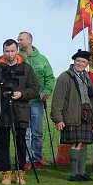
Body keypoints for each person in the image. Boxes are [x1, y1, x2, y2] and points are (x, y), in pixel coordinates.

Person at [0, 39, 40, 185]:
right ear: (3, 51)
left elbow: (35, 88)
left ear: (17, 51)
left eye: (12, 51)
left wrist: (21, 94)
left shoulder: (26, 68)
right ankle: (6, 173)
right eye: (7, 51)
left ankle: (20, 173)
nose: (10, 54)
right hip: (2, 110)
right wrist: (3, 93)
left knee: (21, 143)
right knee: (3, 144)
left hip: (21, 110)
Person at [51, 50, 93, 182]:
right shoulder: (65, 77)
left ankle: (82, 173)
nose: (80, 63)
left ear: (87, 64)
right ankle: (74, 174)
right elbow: (57, 100)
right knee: (75, 144)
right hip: (72, 116)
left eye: (83, 62)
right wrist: (58, 119)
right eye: (78, 61)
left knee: (84, 144)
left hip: (86, 117)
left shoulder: (87, 77)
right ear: (74, 61)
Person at [17, 32, 55, 168]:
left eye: (21, 39)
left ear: (29, 40)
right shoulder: (18, 58)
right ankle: (26, 160)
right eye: (18, 39)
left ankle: (37, 159)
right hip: (22, 102)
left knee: (38, 133)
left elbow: (50, 78)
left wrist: (46, 91)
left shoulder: (42, 59)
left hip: (38, 102)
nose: (18, 42)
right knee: (25, 133)